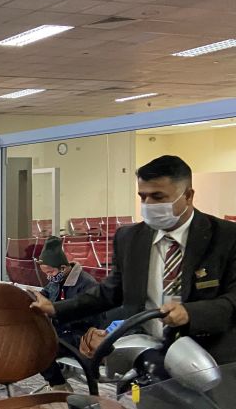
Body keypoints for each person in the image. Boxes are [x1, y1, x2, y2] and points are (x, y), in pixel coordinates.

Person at [31, 155, 236, 405]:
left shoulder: (226, 237)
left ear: (188, 196)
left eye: (158, 196)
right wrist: (56, 308)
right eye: (143, 197)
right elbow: (110, 292)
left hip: (214, 363)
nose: (148, 204)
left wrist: (191, 313)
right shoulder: (130, 238)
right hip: (149, 358)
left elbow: (233, 299)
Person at [35, 236, 101, 392]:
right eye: (46, 273)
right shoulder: (56, 281)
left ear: (63, 268)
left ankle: (59, 385)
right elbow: (45, 294)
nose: (49, 276)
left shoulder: (86, 284)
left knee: (41, 349)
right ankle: (57, 380)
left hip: (80, 333)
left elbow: (91, 317)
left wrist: (56, 313)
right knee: (31, 341)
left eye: (51, 272)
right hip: (61, 331)